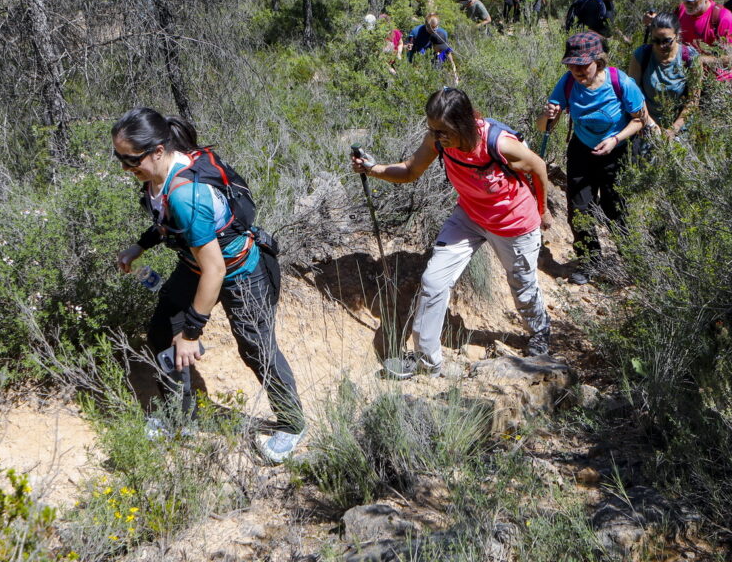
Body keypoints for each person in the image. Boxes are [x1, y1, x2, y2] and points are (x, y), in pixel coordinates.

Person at [111, 108, 305, 463]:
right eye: (119, 159)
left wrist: (192, 332)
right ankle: (178, 416)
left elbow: (214, 270)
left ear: (157, 150)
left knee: (256, 347)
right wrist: (140, 244)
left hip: (240, 271)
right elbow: (168, 221)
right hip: (195, 266)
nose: (126, 168)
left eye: (131, 160)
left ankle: (292, 424)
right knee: (161, 330)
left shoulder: (188, 194)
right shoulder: (160, 174)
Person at [350, 87, 554, 376]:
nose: (438, 137)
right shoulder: (438, 142)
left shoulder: (499, 143)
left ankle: (539, 330)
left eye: (443, 131)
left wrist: (542, 210)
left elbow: (539, 167)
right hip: (469, 216)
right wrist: (373, 169)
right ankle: (427, 363)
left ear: (464, 124)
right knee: (433, 281)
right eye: (433, 130)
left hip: (513, 223)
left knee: (522, 284)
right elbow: (410, 171)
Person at [535, 33, 645, 285]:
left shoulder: (621, 83)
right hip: (581, 150)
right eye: (572, 64)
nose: (577, 70)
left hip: (616, 151)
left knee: (615, 208)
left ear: (599, 61)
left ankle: (633, 260)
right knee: (579, 208)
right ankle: (590, 262)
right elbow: (544, 128)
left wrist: (616, 139)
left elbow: (639, 119)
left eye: (583, 65)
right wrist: (547, 114)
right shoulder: (566, 84)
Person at [627, 12, 701, 141]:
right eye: (655, 41)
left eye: (667, 41)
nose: (661, 46)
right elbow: (633, 96)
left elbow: (693, 100)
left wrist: (674, 129)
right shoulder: (641, 55)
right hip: (646, 124)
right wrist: (651, 125)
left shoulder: (690, 58)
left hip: (679, 128)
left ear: (677, 36)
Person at [674, 0, 732, 81]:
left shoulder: (724, 18)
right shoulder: (681, 11)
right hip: (686, 78)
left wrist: (703, 60)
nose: (687, 3)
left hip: (716, 83)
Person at [565, 0, 630, 42]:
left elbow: (611, 25)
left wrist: (623, 38)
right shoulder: (593, 4)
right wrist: (605, 40)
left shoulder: (609, 4)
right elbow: (585, 30)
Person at [407, 13, 459, 81]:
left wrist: (454, 71)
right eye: (430, 28)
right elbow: (409, 50)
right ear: (425, 25)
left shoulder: (442, 33)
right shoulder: (416, 32)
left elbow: (447, 52)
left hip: (435, 58)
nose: (433, 31)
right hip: (418, 58)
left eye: (435, 28)